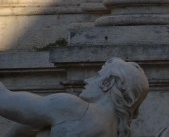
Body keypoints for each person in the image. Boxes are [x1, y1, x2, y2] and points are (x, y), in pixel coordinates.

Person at [0, 58, 148, 136]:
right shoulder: (112, 131)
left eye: (97, 76)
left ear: (107, 83)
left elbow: (4, 100)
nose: (87, 81)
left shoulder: (73, 108)